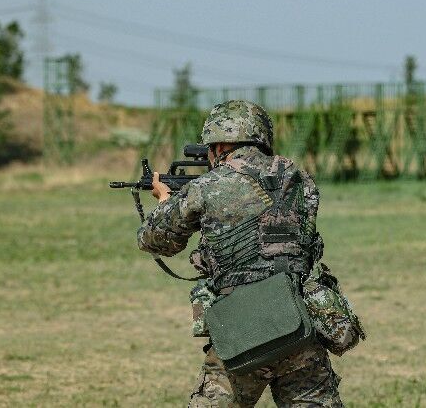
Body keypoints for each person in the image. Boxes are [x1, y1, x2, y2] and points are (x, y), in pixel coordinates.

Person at [137, 100, 360, 407]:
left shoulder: (206, 186)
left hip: (242, 332)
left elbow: (155, 240)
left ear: (219, 144)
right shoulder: (299, 178)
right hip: (298, 324)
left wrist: (165, 202)